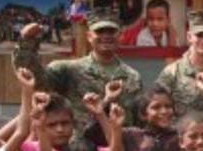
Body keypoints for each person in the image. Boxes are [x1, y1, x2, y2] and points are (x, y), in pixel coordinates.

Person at [13, 11, 143, 130]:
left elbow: (139, 118)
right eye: (100, 32)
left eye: (111, 32)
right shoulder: (68, 70)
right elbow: (34, 80)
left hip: (120, 145)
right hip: (80, 149)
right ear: (89, 36)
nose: (106, 36)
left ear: (120, 36)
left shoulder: (132, 76)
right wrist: (26, 43)